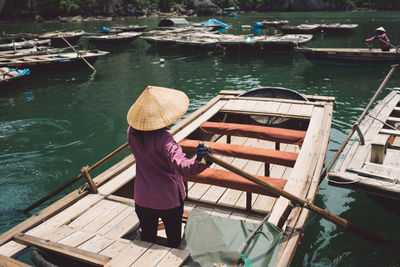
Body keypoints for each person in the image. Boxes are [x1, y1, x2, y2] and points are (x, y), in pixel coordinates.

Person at [126, 85, 210, 248]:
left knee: (148, 238)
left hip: (142, 198)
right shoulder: (165, 140)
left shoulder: (132, 132)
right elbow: (184, 167)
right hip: (167, 200)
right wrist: (202, 159)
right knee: (173, 241)